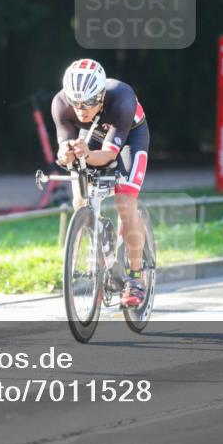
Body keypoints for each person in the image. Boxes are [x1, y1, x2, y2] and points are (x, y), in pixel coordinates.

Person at [51, 59, 149, 308]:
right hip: (91, 136)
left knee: (125, 203)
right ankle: (95, 257)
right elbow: (65, 148)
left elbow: (107, 156)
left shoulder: (121, 98)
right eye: (77, 103)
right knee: (79, 200)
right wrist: (66, 154)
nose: (81, 109)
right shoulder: (61, 104)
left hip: (128, 137)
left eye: (89, 102)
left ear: (102, 94)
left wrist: (85, 154)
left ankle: (136, 277)